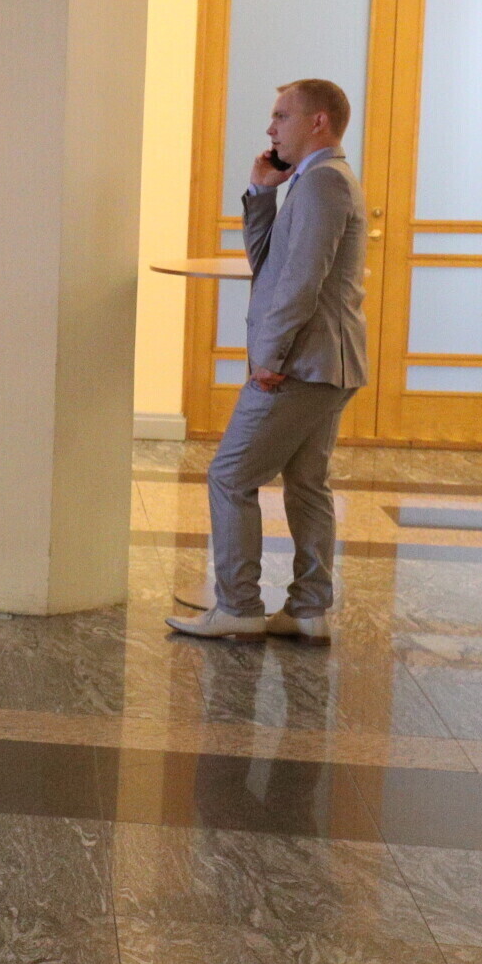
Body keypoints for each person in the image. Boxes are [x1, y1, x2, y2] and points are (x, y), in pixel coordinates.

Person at [168, 77, 368, 643]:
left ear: (318, 122)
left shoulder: (324, 183)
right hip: (323, 364)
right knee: (307, 483)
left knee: (229, 476)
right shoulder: (310, 181)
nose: (270, 127)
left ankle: (239, 606)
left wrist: (270, 357)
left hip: (302, 363)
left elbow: (301, 282)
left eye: (282, 116)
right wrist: (261, 194)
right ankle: (307, 609)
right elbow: (270, 264)